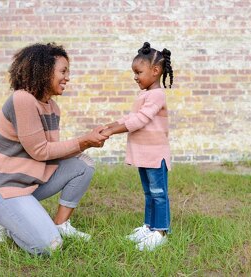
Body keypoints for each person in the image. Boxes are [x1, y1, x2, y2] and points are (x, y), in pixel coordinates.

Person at [0, 42, 108, 255]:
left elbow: (52, 151)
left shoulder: (52, 107)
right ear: (44, 71)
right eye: (63, 71)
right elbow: (40, 151)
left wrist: (89, 142)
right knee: (49, 247)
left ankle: (60, 225)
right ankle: (3, 218)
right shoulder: (22, 99)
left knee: (83, 164)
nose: (67, 77)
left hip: (28, 181)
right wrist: (84, 141)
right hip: (2, 187)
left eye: (68, 72)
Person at [100, 42, 173, 251]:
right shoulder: (144, 94)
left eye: (138, 72)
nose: (135, 77)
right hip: (144, 154)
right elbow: (132, 117)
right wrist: (111, 125)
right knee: (149, 193)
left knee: (159, 193)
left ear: (155, 71)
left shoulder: (157, 95)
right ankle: (149, 226)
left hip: (155, 154)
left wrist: (114, 131)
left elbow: (140, 120)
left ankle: (160, 232)